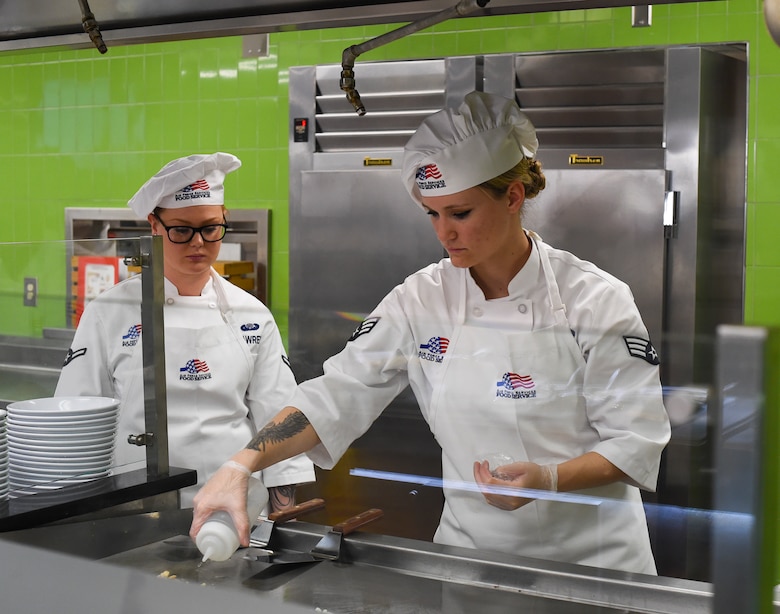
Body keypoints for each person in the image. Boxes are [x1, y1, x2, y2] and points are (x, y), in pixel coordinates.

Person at [189, 94, 671, 574]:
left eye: (460, 213)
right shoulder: (420, 299)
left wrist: (547, 478)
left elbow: (637, 442)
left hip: (593, 567)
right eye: (432, 215)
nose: (444, 233)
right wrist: (241, 465)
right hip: (469, 560)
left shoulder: (594, 298)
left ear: (513, 197)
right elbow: (335, 395)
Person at [56, 152, 315, 510]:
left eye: (210, 228)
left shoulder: (251, 314)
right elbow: (76, 425)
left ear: (225, 219)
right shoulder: (109, 312)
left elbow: (278, 421)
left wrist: (281, 521)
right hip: (135, 513)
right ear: (154, 225)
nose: (198, 243)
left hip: (237, 513)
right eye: (181, 230)